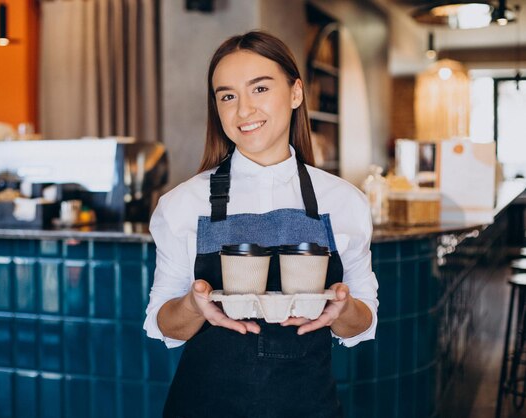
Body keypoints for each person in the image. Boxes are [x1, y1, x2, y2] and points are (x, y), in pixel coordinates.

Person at [143, 31, 378, 418]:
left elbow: (362, 320)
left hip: (308, 405)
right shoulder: (181, 204)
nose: (243, 110)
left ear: (296, 93)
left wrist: (342, 308)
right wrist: (194, 304)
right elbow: (165, 324)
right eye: (228, 96)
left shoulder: (344, 201)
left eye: (260, 89)